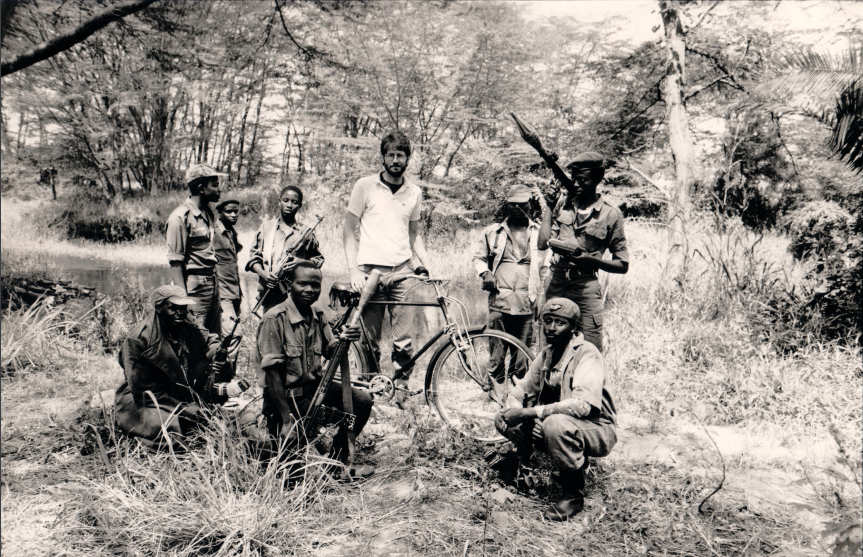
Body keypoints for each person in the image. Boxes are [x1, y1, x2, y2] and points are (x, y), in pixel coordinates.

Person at [494, 298, 617, 521]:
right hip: (565, 423)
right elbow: (518, 391)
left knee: (554, 424)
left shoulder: (587, 353)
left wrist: (527, 413)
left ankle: (573, 495)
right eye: (547, 321)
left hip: (597, 428)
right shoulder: (547, 354)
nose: (551, 328)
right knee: (502, 418)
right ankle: (523, 465)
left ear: (574, 327)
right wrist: (514, 409)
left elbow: (581, 406)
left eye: (559, 322)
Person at [257, 261, 375, 478]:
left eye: (315, 285)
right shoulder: (274, 319)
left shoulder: (318, 315)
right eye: (302, 284)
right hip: (286, 401)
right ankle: (291, 448)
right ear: (289, 284)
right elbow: (272, 377)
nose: (309, 290)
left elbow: (332, 351)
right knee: (290, 473)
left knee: (362, 401)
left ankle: (336, 462)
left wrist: (345, 339)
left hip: (315, 392)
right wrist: (286, 419)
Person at [342, 131, 433, 404]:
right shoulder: (364, 186)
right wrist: (354, 271)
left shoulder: (414, 191)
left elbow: (414, 234)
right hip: (370, 272)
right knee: (368, 340)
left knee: (404, 341)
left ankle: (401, 392)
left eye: (400, 155)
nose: (395, 160)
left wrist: (427, 266)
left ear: (408, 159)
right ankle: (368, 397)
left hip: (403, 273)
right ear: (383, 157)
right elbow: (348, 230)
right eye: (391, 154)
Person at [114, 285, 229, 450]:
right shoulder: (138, 340)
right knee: (166, 429)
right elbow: (143, 391)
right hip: (147, 396)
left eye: (183, 307)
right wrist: (182, 408)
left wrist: (214, 353)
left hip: (178, 388)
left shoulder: (186, 320)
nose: (180, 312)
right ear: (159, 308)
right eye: (173, 308)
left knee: (204, 410)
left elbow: (208, 339)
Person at [537, 152, 629, 351]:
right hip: (556, 282)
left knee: (589, 350)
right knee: (548, 350)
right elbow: (543, 244)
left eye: (582, 180)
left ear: (597, 180)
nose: (576, 185)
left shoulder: (611, 214)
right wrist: (550, 207)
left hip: (585, 286)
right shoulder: (563, 205)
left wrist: (591, 260)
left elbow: (623, 264)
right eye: (574, 179)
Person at [473, 184, 548, 384]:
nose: (517, 208)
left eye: (522, 204)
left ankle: (518, 399)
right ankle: (496, 398)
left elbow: (543, 270)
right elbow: (478, 259)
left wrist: (540, 301)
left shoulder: (540, 233)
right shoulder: (493, 232)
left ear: (530, 205)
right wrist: (485, 272)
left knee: (522, 359)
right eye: (512, 204)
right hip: (500, 303)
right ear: (507, 205)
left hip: (526, 303)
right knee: (496, 356)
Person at [166, 163, 225, 336]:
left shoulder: (208, 212)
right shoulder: (179, 217)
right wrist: (183, 301)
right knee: (195, 337)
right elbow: (176, 262)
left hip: (212, 281)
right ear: (201, 188)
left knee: (213, 338)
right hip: (194, 285)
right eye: (214, 185)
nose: (219, 189)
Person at [246, 185, 324, 316]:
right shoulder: (266, 228)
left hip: (297, 294)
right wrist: (264, 274)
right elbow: (254, 258)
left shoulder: (306, 233)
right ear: (279, 202)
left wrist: (300, 262)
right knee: (271, 327)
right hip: (270, 292)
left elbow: (318, 260)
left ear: (300, 205)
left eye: (294, 202)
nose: (289, 205)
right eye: (285, 200)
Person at [213, 198, 244, 377]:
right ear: (220, 212)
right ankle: (221, 381)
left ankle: (226, 381)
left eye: (236, 212)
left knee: (228, 336)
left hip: (234, 294)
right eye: (229, 212)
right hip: (221, 294)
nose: (233, 215)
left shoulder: (231, 233)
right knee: (233, 334)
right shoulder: (213, 232)